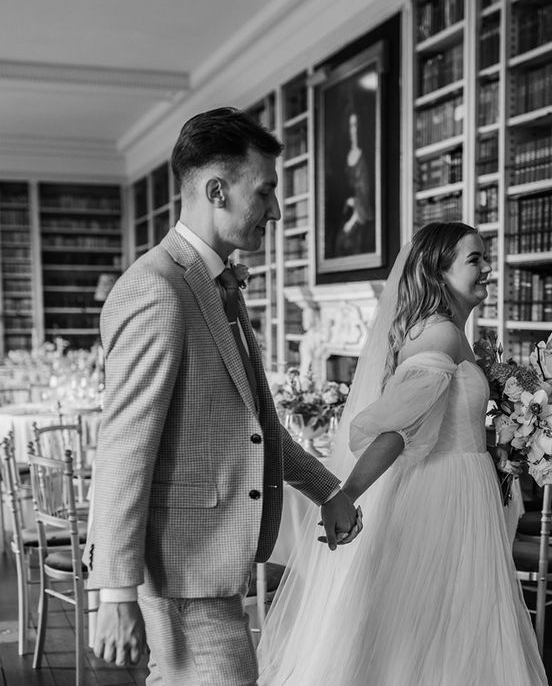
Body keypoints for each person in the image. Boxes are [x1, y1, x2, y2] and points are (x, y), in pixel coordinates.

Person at [86, 107, 362, 686]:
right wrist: (114, 591)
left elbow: (257, 424)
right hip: (185, 571)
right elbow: (122, 450)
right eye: (264, 192)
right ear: (217, 190)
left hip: (212, 568)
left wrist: (327, 489)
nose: (277, 211)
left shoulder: (216, 284)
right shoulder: (157, 289)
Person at [258, 222, 548, 685]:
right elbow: (398, 429)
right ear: (439, 272)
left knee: (447, 633)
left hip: (463, 490)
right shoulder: (440, 337)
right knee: (436, 637)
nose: (488, 267)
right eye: (475, 259)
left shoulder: (451, 333)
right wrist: (346, 493)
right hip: (442, 499)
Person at [334, 110, 374, 257]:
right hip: (348, 210)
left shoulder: (366, 156)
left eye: (356, 125)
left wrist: (356, 208)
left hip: (361, 213)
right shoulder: (343, 156)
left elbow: (366, 189)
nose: (354, 129)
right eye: (351, 125)